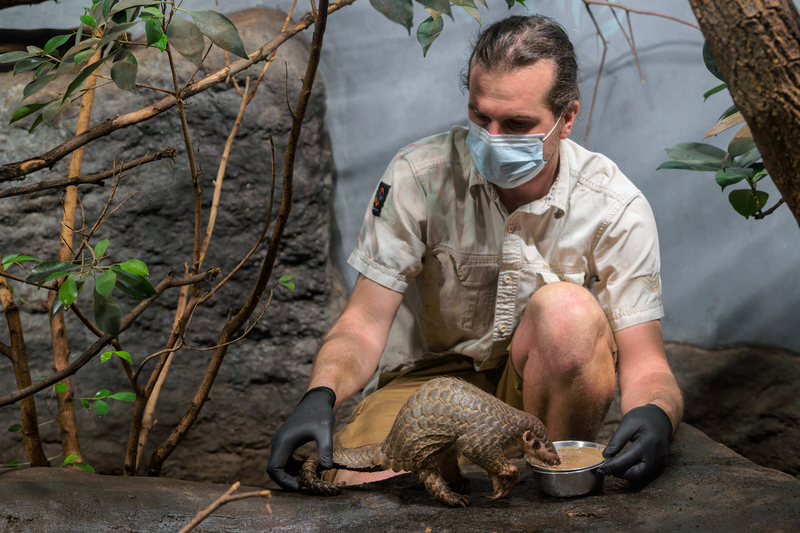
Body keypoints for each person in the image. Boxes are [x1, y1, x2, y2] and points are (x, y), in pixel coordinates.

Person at [267, 14, 683, 491]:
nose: (494, 136)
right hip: (427, 390)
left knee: (569, 313)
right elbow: (364, 321)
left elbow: (646, 360)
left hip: (531, 400)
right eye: (481, 117)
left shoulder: (614, 206)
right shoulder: (419, 176)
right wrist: (320, 394)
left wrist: (656, 413)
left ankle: (553, 491)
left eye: (517, 123)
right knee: (375, 487)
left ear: (566, 118)